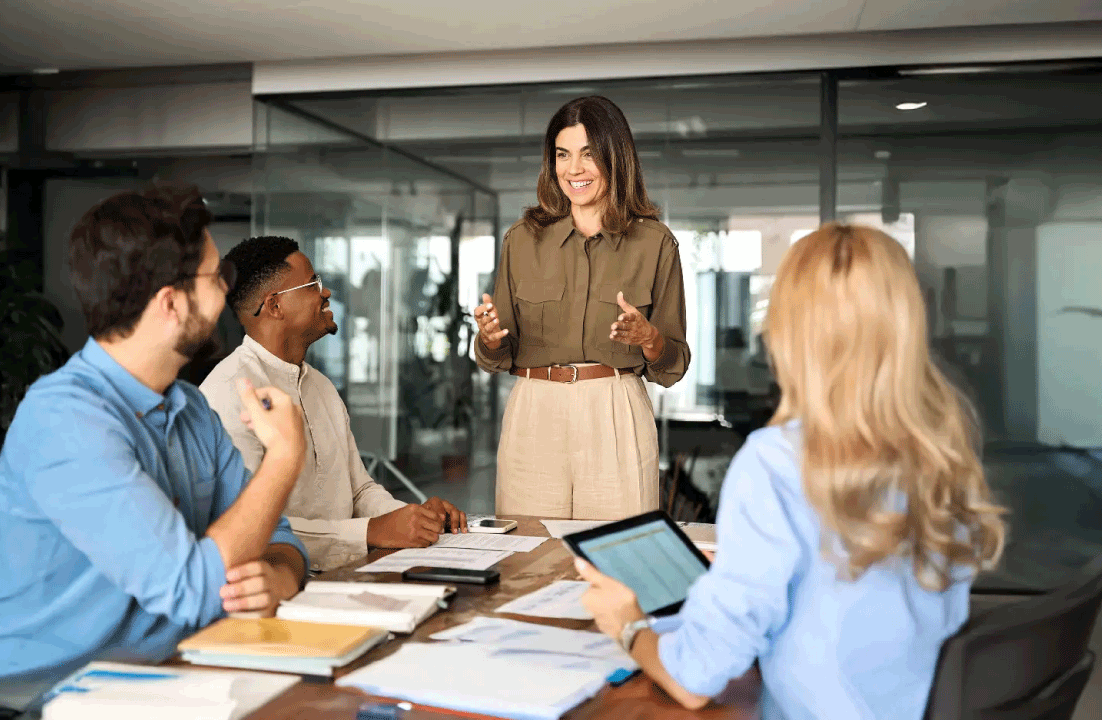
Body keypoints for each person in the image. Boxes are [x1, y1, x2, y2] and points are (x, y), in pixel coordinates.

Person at [575, 223, 1007, 719]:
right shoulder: (939, 448)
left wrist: (627, 624)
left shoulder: (775, 459)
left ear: (788, 332)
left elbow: (695, 679)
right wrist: (743, 570)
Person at [0, 186, 309, 682]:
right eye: (217, 276)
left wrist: (279, 577)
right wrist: (284, 456)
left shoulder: (190, 407)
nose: (226, 292)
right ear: (170, 303)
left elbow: (280, 538)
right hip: (31, 697)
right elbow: (194, 587)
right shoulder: (65, 420)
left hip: (161, 677)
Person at [474, 95, 690, 520]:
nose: (574, 169)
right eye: (563, 155)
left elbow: (674, 364)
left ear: (617, 158)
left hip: (615, 408)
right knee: (528, 554)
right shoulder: (521, 239)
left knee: (618, 552)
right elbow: (497, 356)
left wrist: (650, 339)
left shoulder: (655, 243)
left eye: (589, 155)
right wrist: (489, 339)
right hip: (534, 410)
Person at [200, 236, 467, 573]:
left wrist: (413, 519)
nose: (326, 293)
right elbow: (255, 525)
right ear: (274, 306)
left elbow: (360, 490)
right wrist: (372, 531)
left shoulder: (321, 386)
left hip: (352, 573)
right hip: (282, 584)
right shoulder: (229, 393)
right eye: (314, 284)